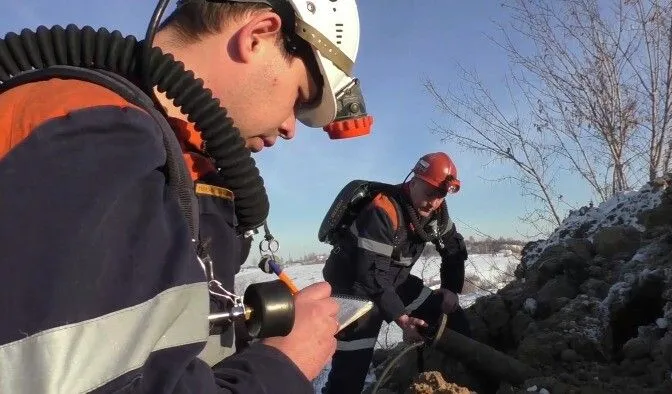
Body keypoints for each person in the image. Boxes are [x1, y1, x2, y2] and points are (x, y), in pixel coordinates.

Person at [0, 0, 371, 393]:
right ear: (258, 35)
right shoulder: (90, 137)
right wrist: (285, 365)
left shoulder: (180, 160)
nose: (289, 128)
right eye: (299, 97)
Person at [321, 152, 472, 394]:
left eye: (440, 196)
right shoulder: (383, 210)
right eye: (430, 193)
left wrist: (451, 289)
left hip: (395, 281)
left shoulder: (437, 214)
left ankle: (471, 379)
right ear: (414, 182)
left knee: (451, 317)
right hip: (355, 291)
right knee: (349, 375)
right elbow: (370, 273)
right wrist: (401, 318)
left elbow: (454, 247)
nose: (433, 202)